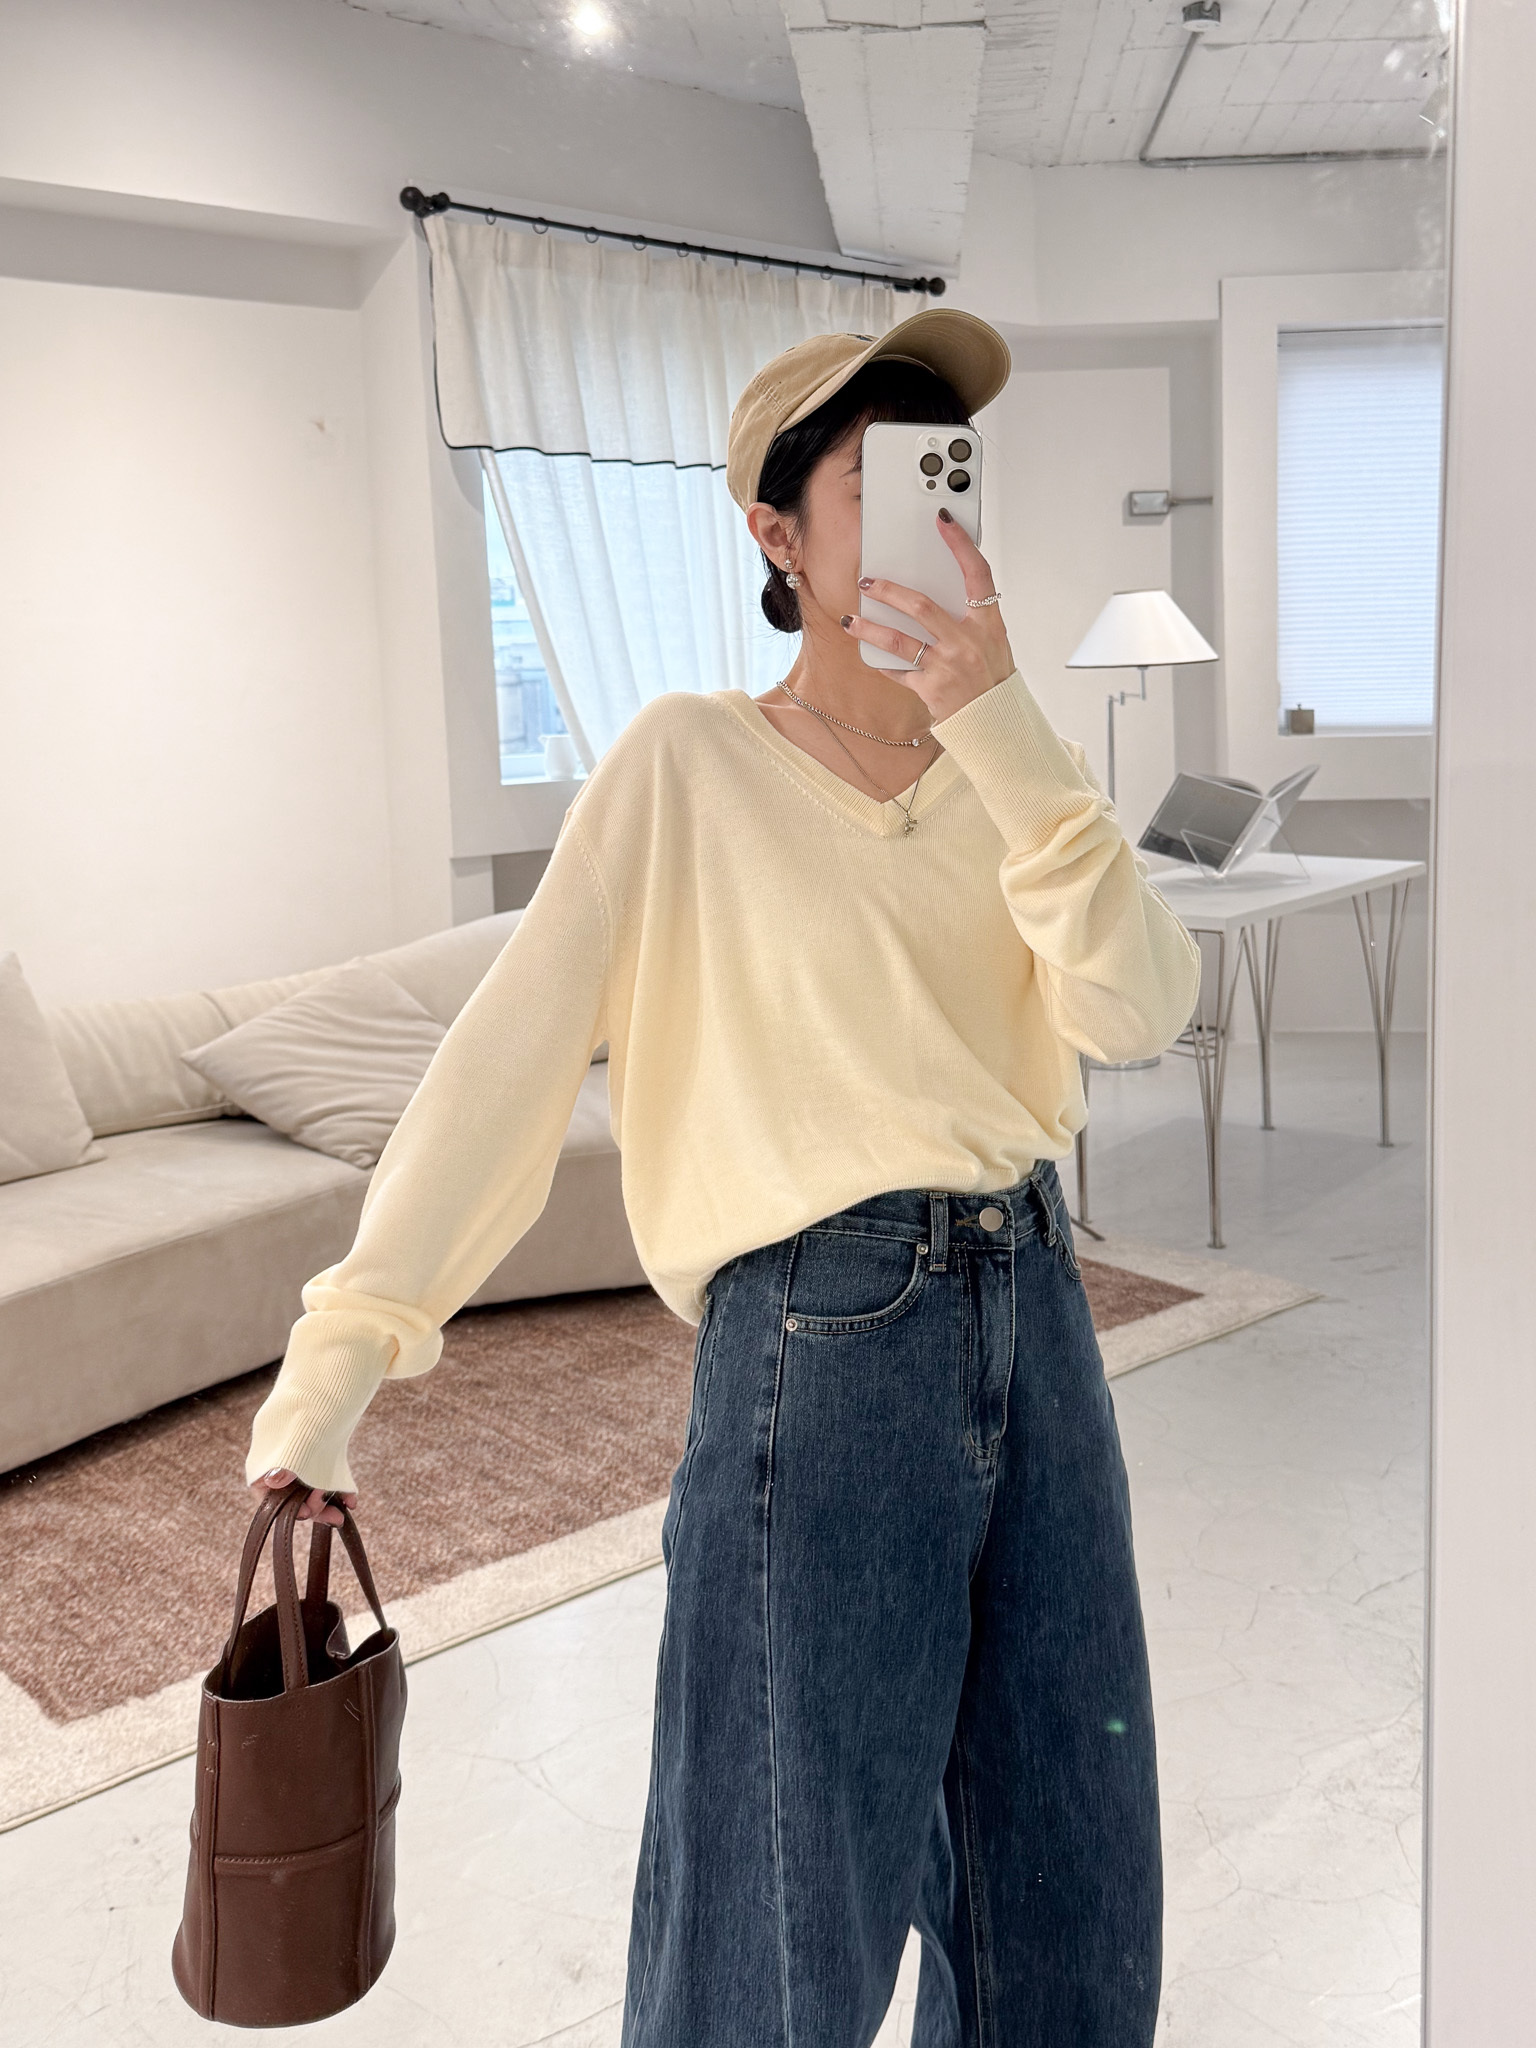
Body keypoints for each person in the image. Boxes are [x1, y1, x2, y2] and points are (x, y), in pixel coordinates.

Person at [247, 305, 1202, 2046]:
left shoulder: (1018, 773)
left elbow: (1139, 1010)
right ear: (777, 532)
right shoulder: (686, 763)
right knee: (776, 1903)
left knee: (1068, 1873)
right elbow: (505, 1065)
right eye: (882, 484)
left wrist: (1000, 728)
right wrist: (347, 1348)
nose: (935, 517)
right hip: (823, 1342)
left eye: (953, 477)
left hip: (1040, 1310)